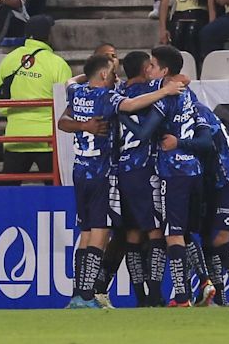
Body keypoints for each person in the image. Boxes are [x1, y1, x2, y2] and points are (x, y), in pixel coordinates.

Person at [58, 55, 185, 309]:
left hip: (79, 170)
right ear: (103, 75)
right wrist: (167, 91)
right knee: (100, 232)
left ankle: (78, 294)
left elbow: (71, 81)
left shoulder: (75, 91)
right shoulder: (107, 97)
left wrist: (90, 73)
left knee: (84, 233)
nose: (117, 77)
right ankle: (86, 297)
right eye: (112, 73)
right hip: (101, 172)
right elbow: (132, 105)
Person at [120, 45, 213, 307]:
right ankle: (204, 282)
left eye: (152, 64)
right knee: (182, 232)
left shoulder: (163, 96)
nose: (148, 68)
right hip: (194, 168)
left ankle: (181, 297)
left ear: (164, 70)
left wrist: (121, 115)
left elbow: (143, 133)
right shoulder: (186, 92)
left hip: (173, 171)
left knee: (171, 234)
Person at [168, 101, 229, 307]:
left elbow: (207, 144)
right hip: (209, 184)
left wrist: (177, 143)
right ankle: (219, 299)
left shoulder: (198, 112)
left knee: (220, 240)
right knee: (206, 239)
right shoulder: (190, 112)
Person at [0, 15, 70, 186]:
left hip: (16, 137)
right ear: (49, 35)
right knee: (56, 191)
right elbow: (64, 103)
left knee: (7, 191)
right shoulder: (57, 64)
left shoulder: (10, 59)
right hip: (47, 140)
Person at [158, 0, 216, 64]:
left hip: (200, 14)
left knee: (192, 31)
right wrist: (163, 29)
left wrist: (212, 22)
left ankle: (195, 69)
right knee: (177, 30)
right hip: (180, 14)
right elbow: (164, 3)